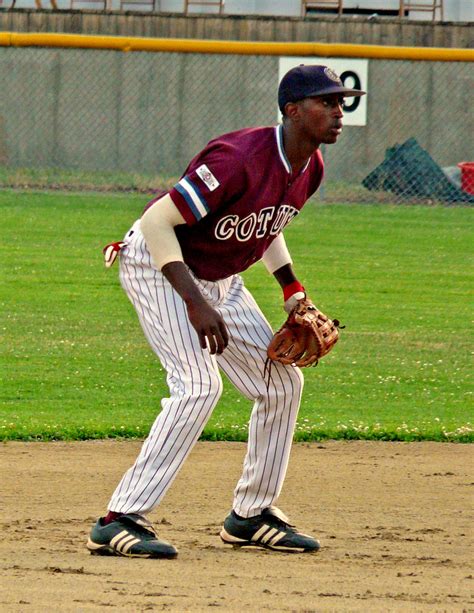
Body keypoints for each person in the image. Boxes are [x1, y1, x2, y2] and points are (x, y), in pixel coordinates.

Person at [86, 64, 365, 558]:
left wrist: (291, 288)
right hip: (159, 268)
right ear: (292, 110)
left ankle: (250, 514)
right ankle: (119, 519)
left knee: (281, 382)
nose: (338, 112)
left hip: (222, 280)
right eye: (326, 103)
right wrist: (194, 303)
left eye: (341, 103)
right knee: (198, 385)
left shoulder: (311, 166)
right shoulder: (238, 158)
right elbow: (157, 220)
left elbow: (266, 222)